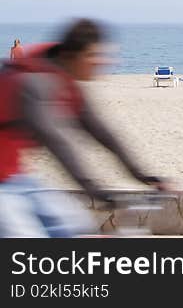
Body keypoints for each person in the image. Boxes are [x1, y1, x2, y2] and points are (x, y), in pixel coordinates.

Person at [0, 19, 167, 237]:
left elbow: (100, 131)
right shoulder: (34, 83)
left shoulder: (64, 80)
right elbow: (57, 141)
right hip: (6, 188)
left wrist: (144, 176)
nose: (103, 62)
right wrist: (95, 190)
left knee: (74, 224)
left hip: (14, 177)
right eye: (94, 56)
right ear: (74, 55)